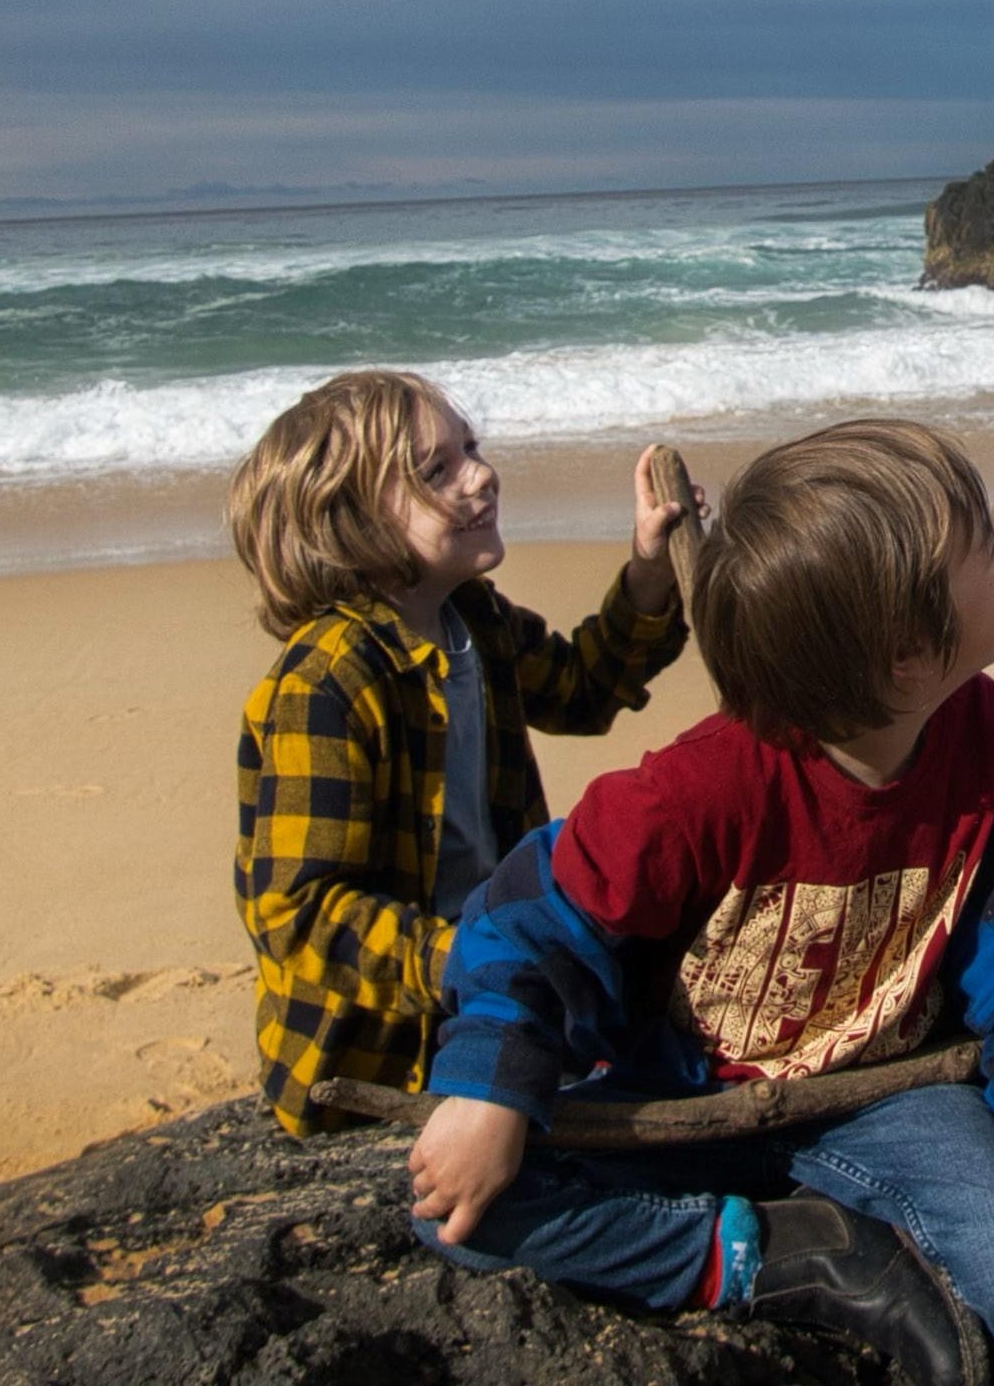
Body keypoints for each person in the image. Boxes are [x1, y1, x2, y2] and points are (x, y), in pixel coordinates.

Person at [402, 420, 994, 1386]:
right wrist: (488, 1089)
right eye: (984, 543)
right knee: (457, 1213)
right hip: (681, 1100)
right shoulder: (700, 793)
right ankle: (778, 1253)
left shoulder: (980, 750)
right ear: (904, 656)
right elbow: (525, 919)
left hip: (897, 1102)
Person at [231, 369, 689, 1136]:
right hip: (379, 1050)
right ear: (346, 519)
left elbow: (582, 688)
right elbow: (298, 915)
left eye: (469, 447)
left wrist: (648, 569)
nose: (480, 475)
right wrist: (462, 956)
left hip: (491, 972)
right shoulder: (327, 682)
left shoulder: (470, 619)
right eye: (434, 470)